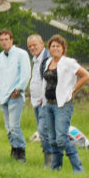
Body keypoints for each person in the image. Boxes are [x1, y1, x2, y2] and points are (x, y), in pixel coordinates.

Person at [40, 35, 89, 173]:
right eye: (52, 46)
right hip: (48, 104)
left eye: (58, 46)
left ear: (63, 48)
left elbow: (86, 75)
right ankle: (56, 168)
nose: (55, 48)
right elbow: (46, 81)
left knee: (61, 138)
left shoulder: (68, 62)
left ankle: (78, 169)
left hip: (62, 104)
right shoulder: (48, 62)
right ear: (49, 48)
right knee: (52, 139)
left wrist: (73, 90)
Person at [0, 29, 32, 162]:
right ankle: (14, 149)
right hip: (3, 94)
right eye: (2, 40)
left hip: (14, 95)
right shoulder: (1, 56)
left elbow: (26, 73)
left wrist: (19, 89)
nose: (4, 42)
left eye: (6, 39)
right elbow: (1, 74)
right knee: (8, 127)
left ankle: (21, 151)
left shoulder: (21, 54)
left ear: (11, 40)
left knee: (14, 125)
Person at [27, 33, 55, 168]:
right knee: (44, 131)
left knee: (43, 130)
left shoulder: (48, 59)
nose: (32, 48)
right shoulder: (35, 59)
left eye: (35, 45)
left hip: (45, 100)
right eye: (30, 46)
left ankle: (50, 161)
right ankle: (50, 158)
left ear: (42, 44)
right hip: (36, 101)